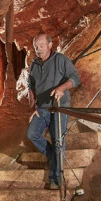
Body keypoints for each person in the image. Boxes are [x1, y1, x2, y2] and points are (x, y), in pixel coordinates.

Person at [26, 34, 80, 190]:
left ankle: (55, 179)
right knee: (32, 134)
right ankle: (53, 157)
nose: (39, 49)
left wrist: (61, 88)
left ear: (50, 44)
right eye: (36, 47)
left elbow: (75, 78)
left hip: (59, 107)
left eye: (42, 45)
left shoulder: (61, 60)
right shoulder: (34, 64)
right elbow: (31, 86)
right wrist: (32, 107)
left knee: (58, 142)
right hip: (41, 108)